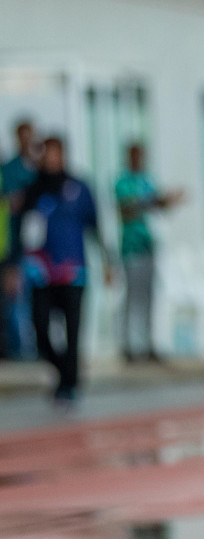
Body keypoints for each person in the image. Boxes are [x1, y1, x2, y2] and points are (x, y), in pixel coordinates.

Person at [20, 136, 112, 405]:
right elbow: (22, 231)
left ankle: (70, 384)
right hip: (41, 272)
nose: (51, 159)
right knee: (40, 327)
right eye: (47, 154)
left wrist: (108, 261)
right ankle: (64, 371)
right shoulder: (33, 190)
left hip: (73, 271)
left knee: (73, 332)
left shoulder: (78, 187)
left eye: (56, 154)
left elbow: (95, 225)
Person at [114, 142, 184, 362]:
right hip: (132, 247)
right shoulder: (122, 182)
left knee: (149, 297)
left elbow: (156, 205)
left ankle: (148, 343)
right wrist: (154, 201)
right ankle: (129, 345)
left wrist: (169, 201)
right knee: (133, 297)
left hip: (149, 245)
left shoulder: (147, 181)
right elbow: (126, 208)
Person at [1, 119, 38, 359]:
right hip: (14, 246)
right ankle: (19, 350)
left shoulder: (38, 169)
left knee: (36, 301)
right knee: (15, 300)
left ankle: (35, 346)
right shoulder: (9, 169)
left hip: (38, 249)